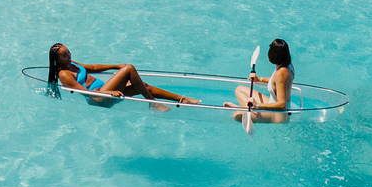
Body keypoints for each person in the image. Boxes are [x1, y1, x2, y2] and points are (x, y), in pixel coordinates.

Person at [47, 43, 199, 106]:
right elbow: (86, 93)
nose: (69, 55)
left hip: (104, 91)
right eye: (65, 55)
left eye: (68, 52)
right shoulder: (64, 75)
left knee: (141, 86)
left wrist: (115, 65)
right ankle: (153, 103)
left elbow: (93, 67)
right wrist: (107, 92)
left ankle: (182, 99)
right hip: (99, 98)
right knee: (129, 69)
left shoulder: (71, 64)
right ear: (57, 59)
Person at [228, 38, 294, 124]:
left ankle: (239, 109)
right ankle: (246, 110)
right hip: (273, 105)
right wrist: (259, 79)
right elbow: (277, 82)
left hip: (277, 116)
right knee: (239, 89)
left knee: (237, 115)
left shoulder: (280, 74)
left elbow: (282, 104)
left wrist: (257, 105)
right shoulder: (288, 66)